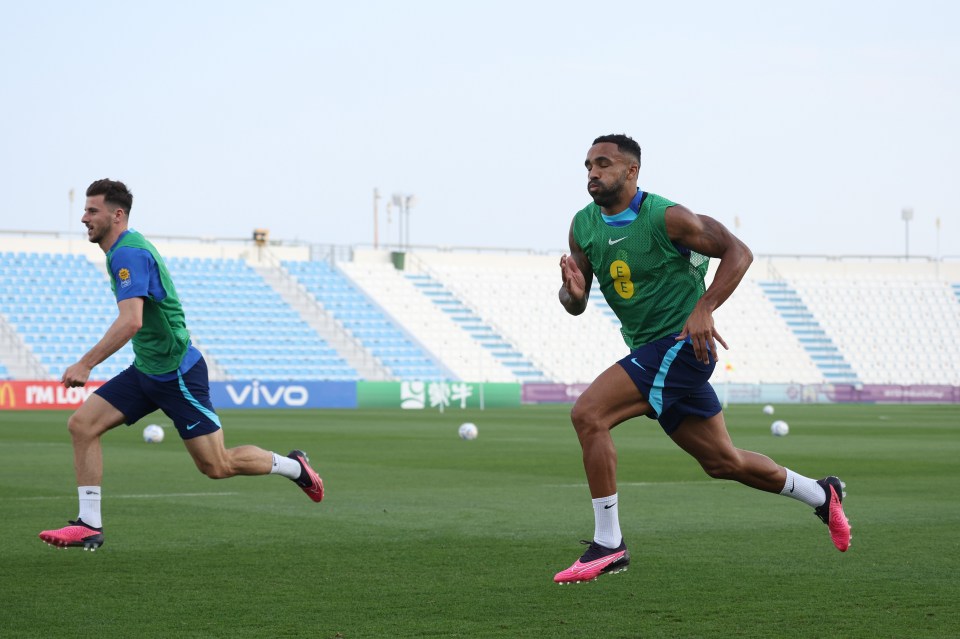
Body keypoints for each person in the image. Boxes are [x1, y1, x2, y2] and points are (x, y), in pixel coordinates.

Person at [553, 135, 850, 584]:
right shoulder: (583, 226)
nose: (593, 173)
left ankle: (609, 545)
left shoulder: (667, 217)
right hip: (654, 352)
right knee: (723, 462)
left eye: (603, 164)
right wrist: (571, 295)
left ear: (631, 172)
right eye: (588, 165)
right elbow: (576, 301)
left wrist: (705, 307)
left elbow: (740, 252)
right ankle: (821, 494)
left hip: (682, 347)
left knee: (588, 413)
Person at [39, 179, 324, 551]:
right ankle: (89, 524)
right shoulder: (121, 252)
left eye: (92, 211)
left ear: (117, 215)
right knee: (82, 425)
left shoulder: (128, 253)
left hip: (177, 374)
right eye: (86, 210)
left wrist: (86, 363)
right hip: (146, 369)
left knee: (217, 466)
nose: (84, 218)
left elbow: (131, 321)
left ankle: (295, 468)